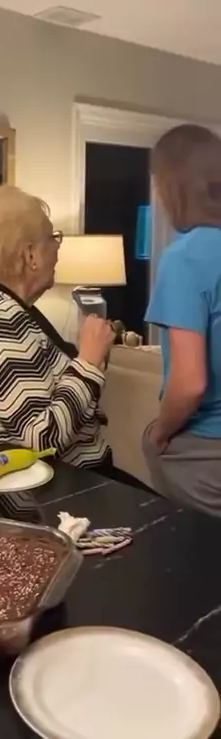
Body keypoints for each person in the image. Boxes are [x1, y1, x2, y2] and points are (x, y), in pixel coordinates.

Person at [0, 184, 114, 468]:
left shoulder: (6, 309)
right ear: (31, 256)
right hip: (39, 486)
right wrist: (88, 363)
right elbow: (42, 439)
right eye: (52, 238)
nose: (57, 247)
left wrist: (90, 358)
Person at [143, 124, 221, 516]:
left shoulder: (184, 258)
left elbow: (190, 384)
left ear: (172, 188)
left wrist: (160, 431)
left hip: (207, 448)